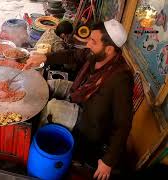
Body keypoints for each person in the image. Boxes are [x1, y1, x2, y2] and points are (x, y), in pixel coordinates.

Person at [24, 19, 133, 180]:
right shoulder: (95, 54)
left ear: (109, 49)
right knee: (50, 84)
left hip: (89, 119)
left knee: (51, 107)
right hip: (80, 91)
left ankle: (37, 143)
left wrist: (108, 161)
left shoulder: (121, 79)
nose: (88, 44)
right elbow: (73, 55)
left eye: (93, 42)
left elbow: (123, 123)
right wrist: (45, 58)